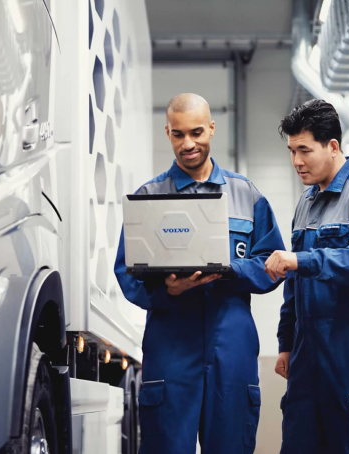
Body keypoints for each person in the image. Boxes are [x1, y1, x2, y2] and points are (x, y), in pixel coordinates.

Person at [114, 93, 285, 454]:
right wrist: (168, 292)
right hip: (171, 342)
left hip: (232, 342)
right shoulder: (149, 196)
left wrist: (228, 269)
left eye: (196, 132)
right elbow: (126, 272)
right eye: (178, 135)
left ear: (211, 128)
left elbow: (273, 264)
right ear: (168, 133)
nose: (188, 144)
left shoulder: (246, 195)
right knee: (167, 445)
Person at [265, 99, 349, 454]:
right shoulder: (306, 201)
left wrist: (302, 260)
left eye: (304, 150)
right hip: (306, 357)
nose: (297, 161)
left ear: (332, 146)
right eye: (291, 151)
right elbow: (294, 287)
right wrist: (285, 343)